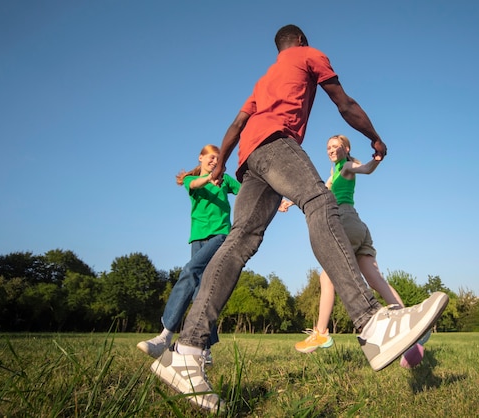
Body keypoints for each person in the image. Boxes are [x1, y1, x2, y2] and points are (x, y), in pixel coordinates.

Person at [151, 24, 449, 411]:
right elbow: (345, 104)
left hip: (248, 159)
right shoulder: (309, 55)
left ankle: (188, 351)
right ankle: (372, 322)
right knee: (320, 202)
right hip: (276, 144)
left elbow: (236, 125)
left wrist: (224, 158)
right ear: (301, 42)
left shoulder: (263, 80)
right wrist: (375, 138)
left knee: (239, 240)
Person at [282, 134, 428, 368]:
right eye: (328, 147)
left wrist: (377, 159)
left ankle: (321, 332)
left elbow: (366, 169)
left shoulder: (347, 166)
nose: (331, 150)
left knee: (328, 274)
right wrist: (290, 202)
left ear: (346, 148)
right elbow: (317, 191)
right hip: (358, 225)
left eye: (335, 146)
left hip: (345, 222)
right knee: (375, 279)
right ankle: (412, 326)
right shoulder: (334, 174)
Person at [137, 144, 240, 363]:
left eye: (218, 158)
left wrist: (277, 204)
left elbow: (246, 192)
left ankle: (165, 336)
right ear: (201, 158)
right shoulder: (190, 180)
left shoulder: (225, 180)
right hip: (197, 238)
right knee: (201, 290)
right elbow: (194, 184)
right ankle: (204, 349)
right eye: (211, 157)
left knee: (190, 270)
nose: (214, 161)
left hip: (220, 236)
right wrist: (211, 177)